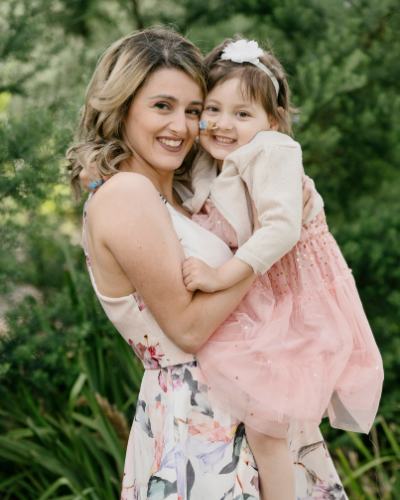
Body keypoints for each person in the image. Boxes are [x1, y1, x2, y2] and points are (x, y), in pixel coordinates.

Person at [68, 28, 350, 499]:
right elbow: (188, 329)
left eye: (193, 110)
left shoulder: (179, 194)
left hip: (246, 401)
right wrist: (264, 249)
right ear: (122, 106)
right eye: (162, 106)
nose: (181, 126)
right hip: (199, 424)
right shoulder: (127, 194)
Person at [180, 38, 384, 500]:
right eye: (213, 109)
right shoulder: (213, 161)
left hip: (299, 299)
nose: (223, 124)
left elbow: (281, 228)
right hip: (267, 299)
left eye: (243, 113)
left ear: (272, 121)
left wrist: (219, 275)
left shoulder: (274, 150)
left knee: (269, 427)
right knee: (265, 423)